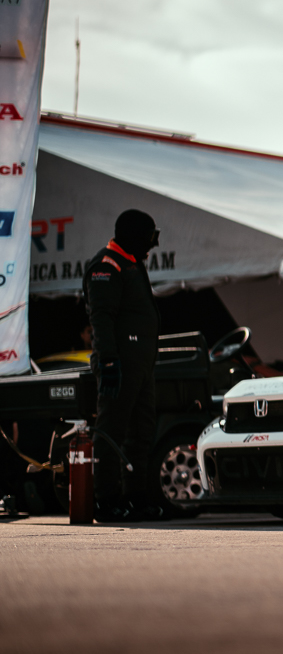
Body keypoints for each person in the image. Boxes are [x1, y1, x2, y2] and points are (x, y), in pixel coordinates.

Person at [83, 210, 162, 522]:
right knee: (111, 431)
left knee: (141, 432)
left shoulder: (131, 262)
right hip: (119, 363)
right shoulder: (107, 265)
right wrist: (109, 360)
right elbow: (101, 317)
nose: (152, 245)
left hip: (141, 364)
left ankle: (135, 498)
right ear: (134, 235)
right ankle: (105, 500)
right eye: (149, 237)